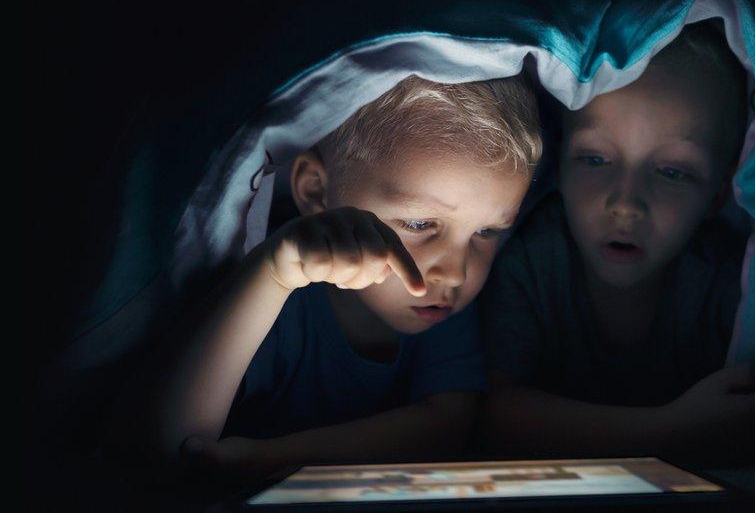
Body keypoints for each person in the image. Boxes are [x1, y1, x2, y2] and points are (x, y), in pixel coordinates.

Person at [478, 20, 755, 472]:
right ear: (557, 166)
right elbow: (491, 416)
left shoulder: (733, 287)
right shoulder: (532, 262)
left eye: (673, 172)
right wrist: (667, 432)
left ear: (719, 194)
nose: (626, 204)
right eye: (594, 159)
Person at [109, 74, 542, 479]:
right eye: (418, 224)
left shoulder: (437, 300)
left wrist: (267, 458)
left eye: (487, 232)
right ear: (316, 191)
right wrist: (273, 275)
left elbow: (447, 424)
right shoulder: (280, 294)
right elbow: (166, 444)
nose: (455, 270)